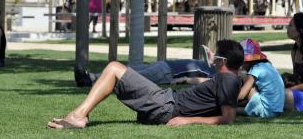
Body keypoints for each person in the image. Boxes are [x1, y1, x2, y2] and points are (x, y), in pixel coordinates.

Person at [48, 39, 243, 129]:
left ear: (223, 61)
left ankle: (78, 116)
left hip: (166, 106)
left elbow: (227, 117)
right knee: (115, 71)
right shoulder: (228, 79)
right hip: (167, 102)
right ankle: (79, 114)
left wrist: (188, 120)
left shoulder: (228, 79)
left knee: (115, 68)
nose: (213, 60)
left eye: (216, 57)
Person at [79, 58, 215, 87]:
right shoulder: (213, 66)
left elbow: (208, 81)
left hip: (168, 73)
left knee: (129, 76)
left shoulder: (217, 75)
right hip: (165, 65)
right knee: (131, 70)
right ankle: (90, 77)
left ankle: (90, 80)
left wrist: (184, 79)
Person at [237, 39, 284, 118]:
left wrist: (226, 100)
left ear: (247, 61)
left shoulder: (255, 70)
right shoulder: (267, 66)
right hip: (276, 111)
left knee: (249, 87)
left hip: (266, 111)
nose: (241, 65)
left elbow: (241, 96)